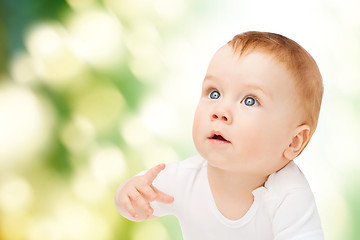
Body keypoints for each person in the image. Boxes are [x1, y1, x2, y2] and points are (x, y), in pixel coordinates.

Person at [114, 31, 324, 239]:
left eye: (250, 100)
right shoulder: (187, 178)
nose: (220, 110)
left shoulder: (289, 195)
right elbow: (136, 200)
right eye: (214, 93)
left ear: (293, 141)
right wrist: (129, 197)